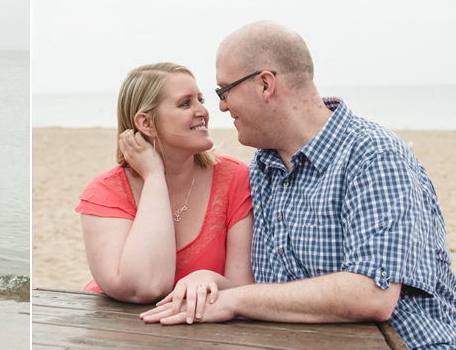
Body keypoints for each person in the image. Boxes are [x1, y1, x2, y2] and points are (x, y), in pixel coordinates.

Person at [141, 21, 456, 349]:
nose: (219, 106)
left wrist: (235, 301)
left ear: (265, 84)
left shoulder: (373, 154)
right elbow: (274, 293)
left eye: (224, 91)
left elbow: (372, 295)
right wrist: (211, 282)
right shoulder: (263, 169)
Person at [76, 63, 254, 318]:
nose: (203, 111)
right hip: (117, 332)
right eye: (185, 103)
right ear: (146, 123)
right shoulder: (105, 193)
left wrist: (209, 278)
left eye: (200, 100)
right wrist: (153, 176)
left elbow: (242, 289)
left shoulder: (234, 177)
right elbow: (145, 286)